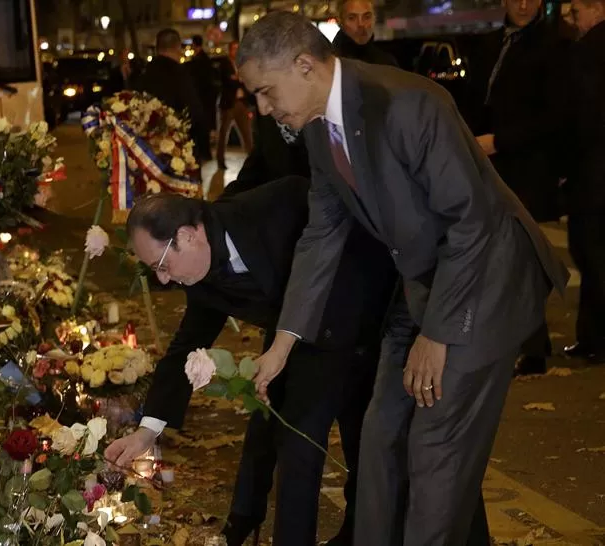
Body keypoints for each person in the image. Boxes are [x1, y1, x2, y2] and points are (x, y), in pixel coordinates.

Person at [237, 12, 569, 546]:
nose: (262, 108)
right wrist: (283, 343)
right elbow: (321, 236)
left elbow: (473, 223)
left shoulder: (408, 104)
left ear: (304, 66)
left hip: (484, 281)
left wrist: (436, 335)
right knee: (381, 438)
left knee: (434, 450)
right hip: (423, 285)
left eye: (266, 92)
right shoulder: (320, 130)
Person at [104, 179, 397, 546]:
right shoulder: (199, 272)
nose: (164, 278)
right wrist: (147, 431)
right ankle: (263, 526)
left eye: (162, 264)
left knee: (334, 439)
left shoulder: (274, 209)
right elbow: (186, 345)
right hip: (293, 338)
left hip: (359, 311)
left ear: (189, 234)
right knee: (287, 433)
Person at [468, 0, 569, 375]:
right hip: (491, 165)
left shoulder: (551, 46)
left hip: (525, 168)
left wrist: (500, 140)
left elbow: (554, 116)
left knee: (520, 261)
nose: (524, 5)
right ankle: (523, 343)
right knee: (502, 261)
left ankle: (532, 346)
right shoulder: (491, 43)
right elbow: (477, 98)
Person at [564, 0, 605, 363]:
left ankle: (595, 338)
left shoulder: (586, 54)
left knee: (589, 254)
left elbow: (579, 119)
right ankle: (591, 337)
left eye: (576, 12)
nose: (573, 21)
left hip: (592, 175)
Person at [134, 29, 208, 159]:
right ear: (178, 47)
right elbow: (194, 111)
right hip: (177, 150)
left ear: (157, 48)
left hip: (148, 153)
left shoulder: (145, 73)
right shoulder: (180, 74)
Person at [216, 41, 254, 170]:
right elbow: (226, 80)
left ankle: (253, 161)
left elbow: (248, 81)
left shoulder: (242, 64)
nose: (236, 52)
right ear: (230, 50)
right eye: (234, 49)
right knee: (223, 134)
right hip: (229, 103)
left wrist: (237, 78)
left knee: (247, 134)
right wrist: (237, 79)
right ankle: (220, 160)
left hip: (241, 103)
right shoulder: (225, 64)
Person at [332, 0, 398, 66]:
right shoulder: (330, 62)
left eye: (367, 17)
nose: (361, 24)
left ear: (374, 19)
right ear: (340, 22)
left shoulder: (386, 63)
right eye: (352, 18)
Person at [187, 35, 217, 161]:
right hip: (205, 98)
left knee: (202, 128)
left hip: (202, 98)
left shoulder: (198, 60)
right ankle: (205, 152)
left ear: (194, 45)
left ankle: (204, 153)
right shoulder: (204, 59)